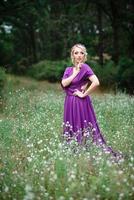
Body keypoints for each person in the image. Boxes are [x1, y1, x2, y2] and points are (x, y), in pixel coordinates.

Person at [61, 43, 122, 159]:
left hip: (80, 103)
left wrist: (84, 94)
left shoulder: (85, 68)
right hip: (69, 102)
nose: (79, 55)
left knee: (82, 125)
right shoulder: (69, 70)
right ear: (72, 55)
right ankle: (73, 149)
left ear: (84, 56)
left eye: (81, 53)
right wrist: (75, 73)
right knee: (71, 125)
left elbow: (96, 82)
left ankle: (84, 148)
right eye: (76, 53)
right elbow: (64, 83)